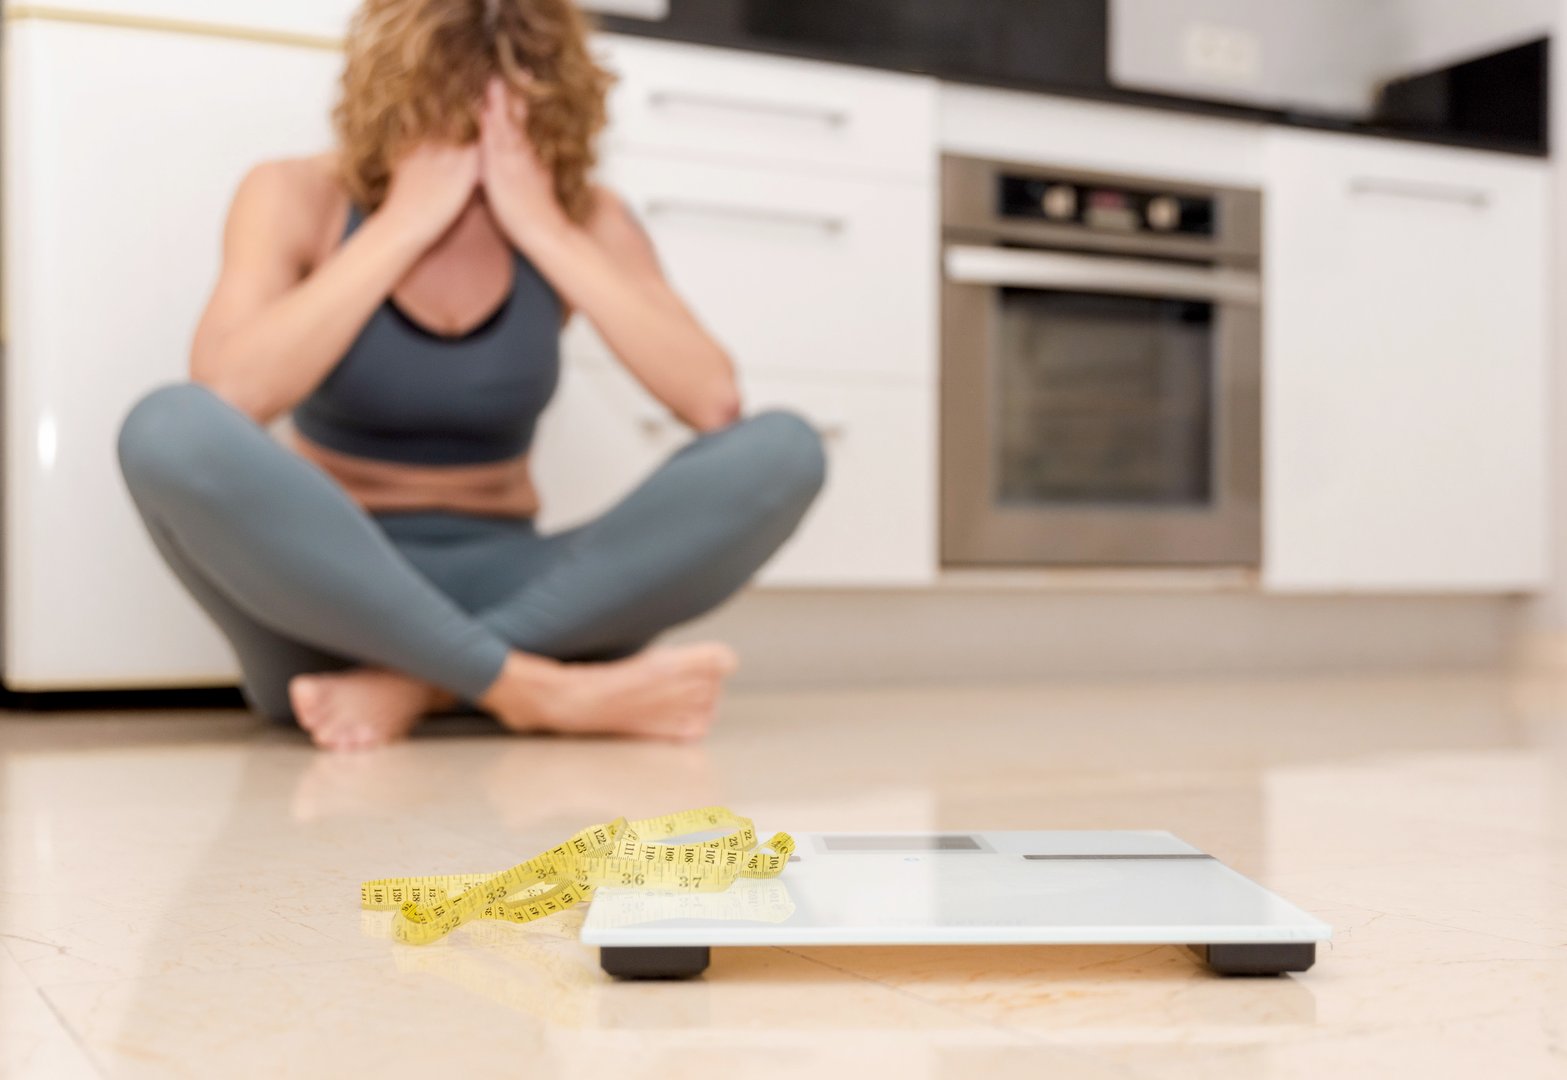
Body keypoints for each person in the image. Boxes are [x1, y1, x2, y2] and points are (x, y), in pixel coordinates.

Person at [114, 0, 826, 751]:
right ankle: (532, 688)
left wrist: (543, 229)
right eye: (442, 108)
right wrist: (401, 225)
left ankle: (420, 686)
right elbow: (227, 396)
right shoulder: (297, 194)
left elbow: (712, 400)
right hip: (331, 605)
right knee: (165, 426)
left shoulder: (583, 217)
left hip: (531, 591)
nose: (476, 136)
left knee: (784, 450)